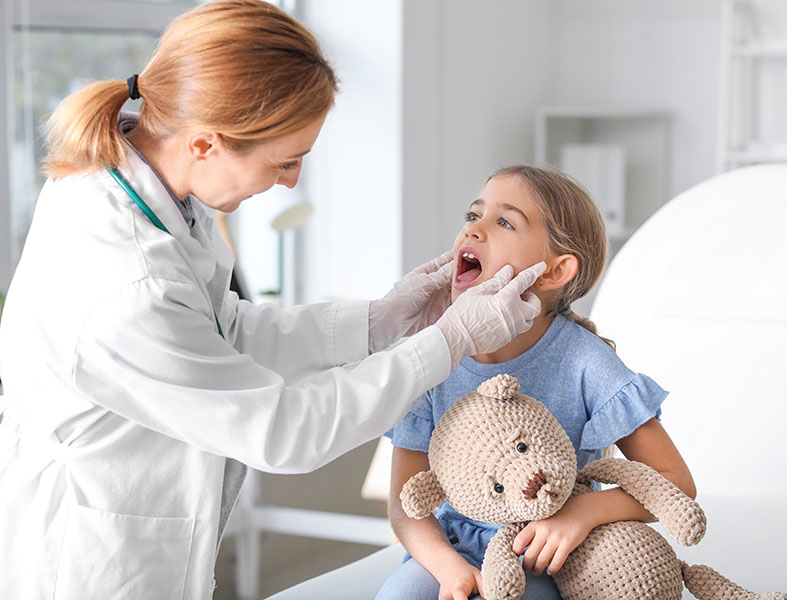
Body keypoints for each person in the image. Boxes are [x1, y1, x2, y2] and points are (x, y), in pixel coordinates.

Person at [0, 2, 544, 598]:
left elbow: (218, 331)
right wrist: (448, 341)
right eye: (284, 162)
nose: (291, 182)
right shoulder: (127, 282)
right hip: (91, 563)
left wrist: (376, 322)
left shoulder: (153, 191)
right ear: (207, 144)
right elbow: (283, 431)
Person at [376, 165, 697, 600]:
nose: (474, 231)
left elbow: (674, 481)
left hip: (545, 560)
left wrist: (582, 513)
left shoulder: (586, 362)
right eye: (474, 215)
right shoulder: (432, 355)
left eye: (504, 221)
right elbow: (404, 505)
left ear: (553, 271)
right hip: (448, 553)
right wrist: (449, 569)